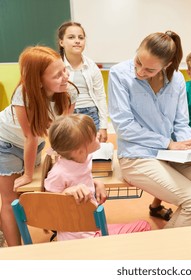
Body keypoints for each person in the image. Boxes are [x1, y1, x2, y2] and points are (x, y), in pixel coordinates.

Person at [108, 31, 191, 228]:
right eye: (138, 61)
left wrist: (188, 148)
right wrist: (167, 143)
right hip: (137, 156)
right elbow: (124, 127)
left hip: (170, 155)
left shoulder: (178, 79)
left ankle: (186, 243)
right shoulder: (119, 74)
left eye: (149, 70)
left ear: (166, 65)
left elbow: (181, 123)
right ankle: (167, 253)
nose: (139, 71)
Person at [0, 46, 77, 246]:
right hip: (5, 142)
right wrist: (26, 173)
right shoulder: (23, 95)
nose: (65, 77)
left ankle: (6, 229)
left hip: (33, 144)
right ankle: (15, 253)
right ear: (39, 81)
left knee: (26, 194)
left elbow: (63, 131)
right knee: (10, 200)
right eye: (57, 75)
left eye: (64, 70)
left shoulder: (68, 92)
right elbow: (30, 137)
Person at [42, 114, 151, 241]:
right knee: (144, 226)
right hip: (81, 237)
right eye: (93, 137)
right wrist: (65, 193)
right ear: (80, 151)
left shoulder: (83, 158)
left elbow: (77, 178)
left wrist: (96, 183)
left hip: (92, 227)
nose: (98, 135)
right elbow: (49, 207)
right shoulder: (58, 173)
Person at [57, 21, 109, 142]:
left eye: (81, 37)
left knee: (93, 153)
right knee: (69, 152)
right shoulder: (55, 66)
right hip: (66, 115)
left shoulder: (92, 66)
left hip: (90, 114)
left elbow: (100, 96)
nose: (77, 41)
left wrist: (103, 127)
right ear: (61, 42)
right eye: (71, 37)